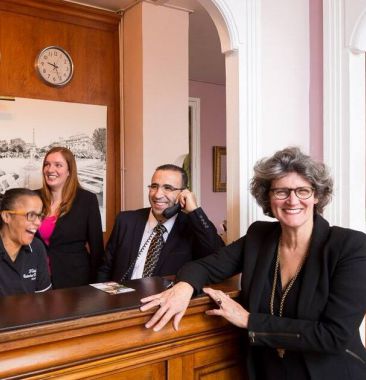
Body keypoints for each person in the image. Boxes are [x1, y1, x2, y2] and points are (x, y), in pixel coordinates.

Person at [140, 147, 366, 380]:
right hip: (267, 371)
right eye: (281, 192)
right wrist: (183, 287)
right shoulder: (259, 236)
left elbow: (334, 336)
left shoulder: (351, 246)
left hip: (329, 373)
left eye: (303, 191)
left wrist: (248, 320)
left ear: (317, 196)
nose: (292, 200)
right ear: (268, 197)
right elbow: (204, 265)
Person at [98, 164, 224, 282]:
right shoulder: (125, 221)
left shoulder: (192, 227)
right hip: (123, 302)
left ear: (183, 193)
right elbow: (105, 269)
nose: (157, 195)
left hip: (166, 302)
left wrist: (195, 211)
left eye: (168, 188)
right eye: (154, 186)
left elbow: (218, 256)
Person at [37, 147, 104, 289]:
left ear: (69, 171)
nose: (50, 169)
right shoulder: (32, 198)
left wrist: (97, 286)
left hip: (74, 281)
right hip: (37, 279)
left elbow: (97, 248)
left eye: (58, 165)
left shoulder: (87, 200)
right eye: (47, 164)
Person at [0, 188, 51, 296]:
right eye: (31, 215)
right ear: (6, 216)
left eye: (39, 216)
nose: (38, 223)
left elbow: (44, 299)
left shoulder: (37, 247)